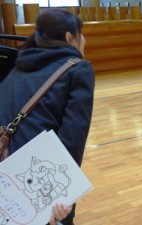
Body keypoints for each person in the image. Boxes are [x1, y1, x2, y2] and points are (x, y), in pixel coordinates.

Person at [0, 9, 94, 225]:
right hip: (38, 180)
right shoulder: (78, 69)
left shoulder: (20, 62)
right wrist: (65, 197)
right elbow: (73, 140)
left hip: (7, 175)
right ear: (70, 38)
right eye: (82, 33)